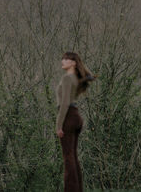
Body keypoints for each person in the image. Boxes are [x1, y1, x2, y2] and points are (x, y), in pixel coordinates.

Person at [56, 51, 96, 192]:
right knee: (73, 156)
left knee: (68, 158)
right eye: (63, 59)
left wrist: (58, 125)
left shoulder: (68, 78)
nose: (63, 61)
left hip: (68, 116)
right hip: (76, 116)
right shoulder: (75, 78)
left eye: (66, 59)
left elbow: (65, 103)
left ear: (73, 63)